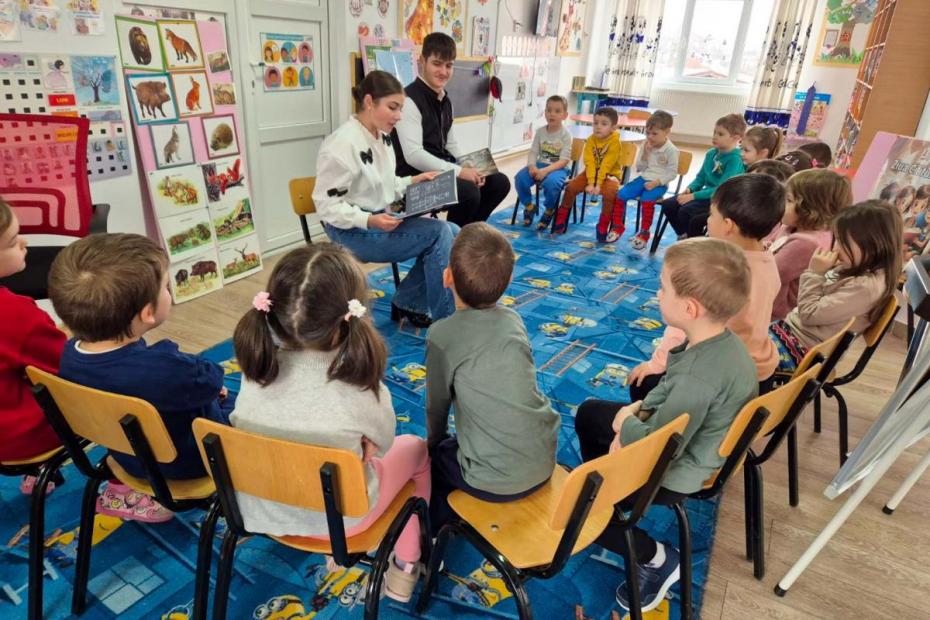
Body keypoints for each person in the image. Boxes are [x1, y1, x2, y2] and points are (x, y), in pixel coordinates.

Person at [230, 243, 430, 602]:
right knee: (416, 450)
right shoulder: (358, 386)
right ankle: (406, 565)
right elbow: (385, 443)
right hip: (344, 521)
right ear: (351, 314)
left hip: (261, 509)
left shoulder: (253, 370)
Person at [575, 237, 757, 613]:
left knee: (578, 504)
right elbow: (668, 390)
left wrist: (627, 424)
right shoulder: (719, 342)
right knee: (591, 414)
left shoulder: (698, 378)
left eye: (662, 288)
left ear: (690, 308)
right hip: (688, 446)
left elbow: (662, 448)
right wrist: (639, 409)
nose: (657, 293)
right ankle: (611, 495)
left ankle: (655, 557)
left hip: (674, 473)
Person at [49, 233, 234, 523]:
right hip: (191, 464)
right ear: (148, 312)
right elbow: (213, 377)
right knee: (243, 404)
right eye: (165, 287)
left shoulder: (69, 356)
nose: (168, 292)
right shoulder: (166, 368)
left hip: (126, 458)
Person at [426, 223, 559, 530]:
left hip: (492, 480)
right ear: (510, 280)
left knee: (438, 458)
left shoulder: (441, 335)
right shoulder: (514, 319)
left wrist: (435, 442)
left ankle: (436, 530)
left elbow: (437, 405)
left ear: (447, 277)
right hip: (545, 459)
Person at [314, 70, 456, 328]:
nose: (399, 116)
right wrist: (369, 220)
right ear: (369, 102)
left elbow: (384, 185)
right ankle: (446, 325)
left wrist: (412, 181)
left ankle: (409, 301)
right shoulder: (341, 145)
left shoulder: (382, 137)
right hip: (350, 231)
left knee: (453, 232)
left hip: (378, 218)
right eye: (393, 107)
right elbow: (326, 207)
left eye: (400, 108)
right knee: (440, 234)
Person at [628, 174, 784, 399]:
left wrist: (655, 364)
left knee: (642, 384)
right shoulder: (767, 258)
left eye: (711, 214)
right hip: (761, 370)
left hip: (725, 381)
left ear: (728, 226)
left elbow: (681, 330)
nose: (707, 220)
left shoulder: (719, 272)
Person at [770, 200, 902, 373]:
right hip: (790, 333)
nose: (836, 248)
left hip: (801, 349)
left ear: (873, 245)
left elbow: (809, 314)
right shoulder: (858, 269)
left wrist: (815, 273)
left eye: (843, 242)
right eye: (837, 239)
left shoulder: (866, 288)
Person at [393, 33, 511, 227]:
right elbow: (414, 156)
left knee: (499, 182)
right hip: (412, 187)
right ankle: (456, 240)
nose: (443, 71)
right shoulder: (408, 100)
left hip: (440, 173)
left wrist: (469, 168)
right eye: (437, 64)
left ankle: (468, 234)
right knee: (468, 191)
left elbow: (451, 144)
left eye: (449, 65)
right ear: (422, 60)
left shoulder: (445, 100)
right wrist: (460, 172)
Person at [0, 197, 67, 494]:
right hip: (24, 437)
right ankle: (123, 484)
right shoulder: (16, 314)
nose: (25, 243)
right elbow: (63, 365)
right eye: (13, 241)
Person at [769, 169, 851, 320]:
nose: (781, 204)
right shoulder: (794, 226)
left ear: (810, 210)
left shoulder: (806, 244)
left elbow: (767, 274)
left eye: (788, 200)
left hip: (772, 310)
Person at [658, 114, 746, 239]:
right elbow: (700, 178)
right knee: (668, 205)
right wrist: (690, 189)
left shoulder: (735, 159)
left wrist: (693, 196)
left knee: (686, 211)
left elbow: (721, 189)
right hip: (706, 194)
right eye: (714, 132)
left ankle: (695, 243)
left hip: (720, 200)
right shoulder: (711, 154)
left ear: (736, 138)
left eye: (720, 134)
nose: (715, 136)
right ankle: (684, 235)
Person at [550, 107, 622, 239]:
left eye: (604, 124)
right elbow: (590, 163)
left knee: (610, 193)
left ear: (613, 128)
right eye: (596, 123)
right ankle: (561, 218)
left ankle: (603, 224)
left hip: (610, 175)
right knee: (571, 187)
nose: (598, 127)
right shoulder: (590, 140)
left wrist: (597, 184)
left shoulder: (615, 142)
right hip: (590, 173)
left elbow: (606, 164)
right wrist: (591, 182)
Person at [619, 110, 680, 249]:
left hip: (659, 183)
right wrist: (645, 154)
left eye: (654, 134)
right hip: (644, 178)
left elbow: (672, 174)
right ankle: (618, 226)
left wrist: (656, 183)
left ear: (667, 132)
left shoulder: (671, 150)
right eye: (648, 133)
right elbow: (640, 168)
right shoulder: (646, 145)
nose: (650, 137)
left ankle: (644, 233)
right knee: (621, 194)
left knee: (646, 200)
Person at [515, 95, 572, 227]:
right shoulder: (540, 132)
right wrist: (532, 166)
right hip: (539, 165)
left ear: (565, 115)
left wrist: (545, 171)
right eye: (549, 110)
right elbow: (533, 152)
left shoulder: (566, 135)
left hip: (558, 168)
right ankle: (529, 207)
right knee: (520, 178)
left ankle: (549, 210)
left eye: (557, 111)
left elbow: (564, 160)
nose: (552, 114)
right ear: (545, 112)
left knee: (551, 183)